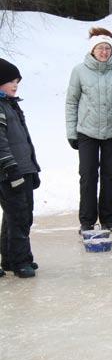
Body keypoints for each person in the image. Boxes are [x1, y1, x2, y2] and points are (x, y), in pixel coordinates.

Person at [65, 27, 112, 233]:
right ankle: (86, 221)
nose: (104, 52)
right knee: (87, 176)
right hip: (87, 131)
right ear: (92, 50)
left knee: (109, 175)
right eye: (100, 48)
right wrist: (72, 132)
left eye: (107, 48)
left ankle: (108, 219)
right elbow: (71, 102)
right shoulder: (79, 70)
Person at [0, 59, 41, 278]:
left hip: (22, 169)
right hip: (10, 172)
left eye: (17, 81)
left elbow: (23, 141)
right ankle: (20, 261)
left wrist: (32, 168)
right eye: (10, 81)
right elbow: (1, 143)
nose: (15, 85)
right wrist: (11, 169)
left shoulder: (11, 104)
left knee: (14, 216)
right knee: (20, 216)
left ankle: (9, 258)